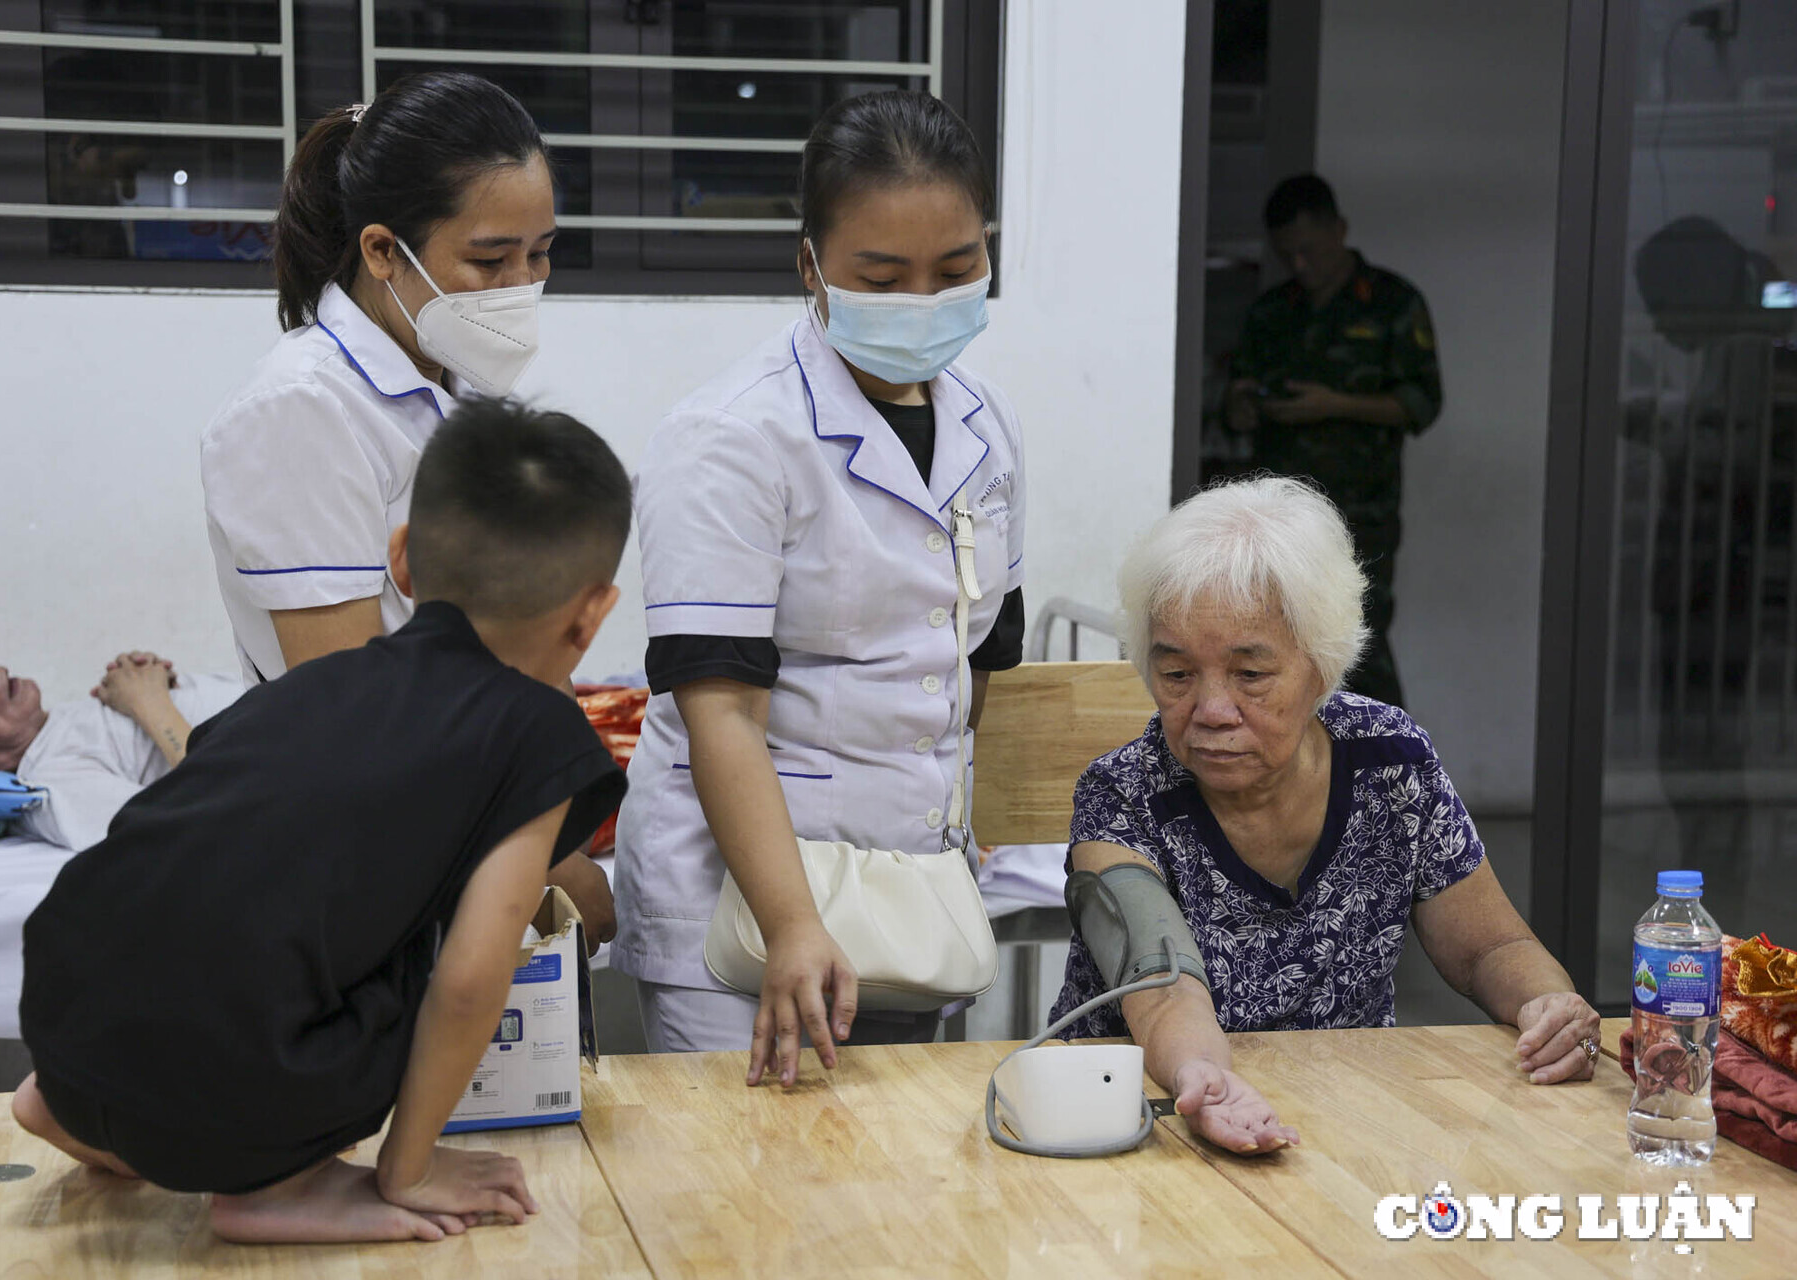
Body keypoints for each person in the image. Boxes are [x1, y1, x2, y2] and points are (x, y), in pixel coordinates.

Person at [14, 398, 630, 1245]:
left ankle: (67, 1110)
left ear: (401, 562)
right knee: (412, 939)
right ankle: (277, 1185)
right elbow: (469, 978)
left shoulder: (303, 688)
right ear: (594, 612)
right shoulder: (539, 734)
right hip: (238, 1081)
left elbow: (193, 809)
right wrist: (408, 1168)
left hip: (60, 1023)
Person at [611, 90, 1026, 1084]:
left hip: (906, 905)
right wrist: (794, 920)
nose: (924, 301)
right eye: (883, 277)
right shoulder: (733, 437)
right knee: (751, 1213)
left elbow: (978, 667)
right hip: (749, 916)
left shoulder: (984, 428)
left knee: (891, 1202)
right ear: (811, 267)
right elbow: (718, 711)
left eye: (957, 270)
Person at [1047, 477, 1600, 1156]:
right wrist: (1206, 1080)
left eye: (1250, 675)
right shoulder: (1123, 795)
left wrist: (1547, 1006)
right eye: (1178, 674)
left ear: (1322, 666)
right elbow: (1162, 987)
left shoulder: (1389, 761)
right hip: (1144, 1125)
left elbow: (1490, 947)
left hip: (1351, 1120)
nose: (1212, 709)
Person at [199, 70, 612, 936]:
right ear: (384, 250)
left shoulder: (449, 384)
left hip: (463, 810)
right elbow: (352, 703)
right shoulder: (301, 408)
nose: (521, 284)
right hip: (377, 839)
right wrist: (535, 856)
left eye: (539, 253)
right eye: (490, 259)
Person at [1223, 173, 1442, 708]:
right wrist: (1242, 405)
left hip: (1360, 514)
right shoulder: (1272, 313)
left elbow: (1422, 405)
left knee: (1360, 649)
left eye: (1309, 250)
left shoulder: (1393, 303)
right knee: (1280, 647)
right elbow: (1234, 402)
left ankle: (1395, 776)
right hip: (1280, 516)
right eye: (1287, 255)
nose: (1300, 265)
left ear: (1339, 231)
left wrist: (1335, 406)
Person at [0, 652, 241, 852]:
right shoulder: (51, 780)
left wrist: (148, 688)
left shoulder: (59, 730)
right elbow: (196, 829)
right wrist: (151, 703)